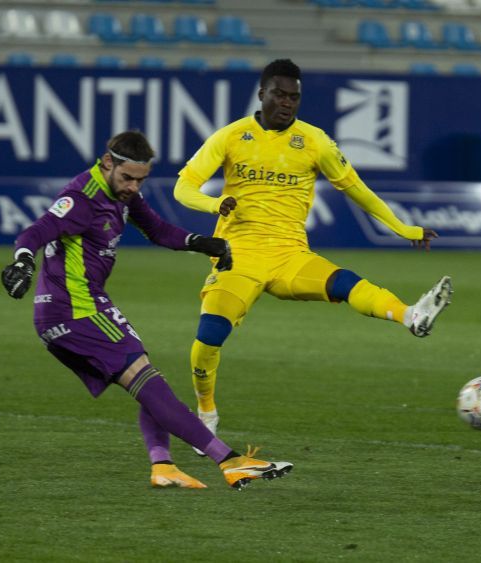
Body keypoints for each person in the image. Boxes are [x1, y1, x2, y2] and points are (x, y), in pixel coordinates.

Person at [173, 59, 452, 454]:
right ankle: (206, 414)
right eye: (280, 95)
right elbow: (183, 189)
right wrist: (215, 204)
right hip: (239, 256)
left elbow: (356, 189)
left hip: (290, 256)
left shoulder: (315, 141)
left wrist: (403, 228)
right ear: (262, 94)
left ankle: (411, 315)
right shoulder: (232, 136)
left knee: (344, 282)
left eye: (294, 97)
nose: (287, 103)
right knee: (208, 338)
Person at [0, 130, 292, 490]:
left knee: (148, 383)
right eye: (127, 178)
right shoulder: (82, 198)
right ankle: (230, 461)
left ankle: (164, 466)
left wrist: (201, 243)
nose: (134, 187)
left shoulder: (121, 192)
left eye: (141, 179)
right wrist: (23, 261)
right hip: (76, 310)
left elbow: (156, 229)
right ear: (107, 164)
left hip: (75, 310)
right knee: (148, 381)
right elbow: (36, 231)